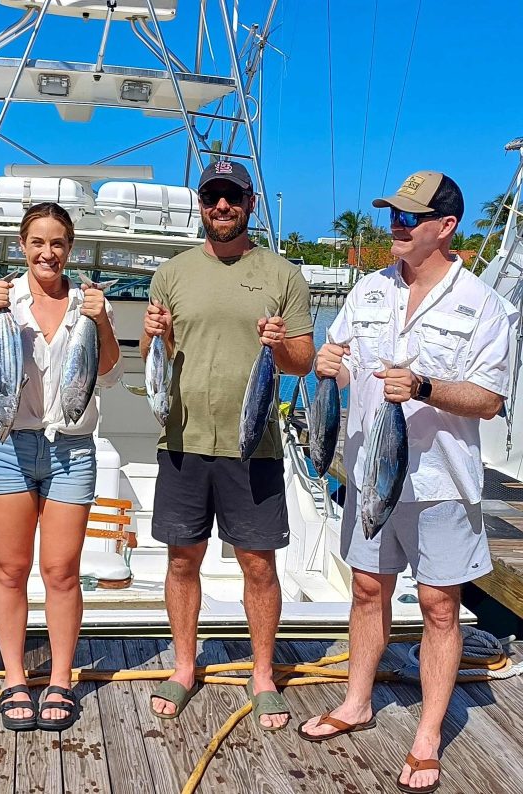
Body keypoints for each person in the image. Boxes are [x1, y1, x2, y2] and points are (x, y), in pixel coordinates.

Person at [297, 171, 516, 793]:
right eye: (394, 214)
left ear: (445, 227)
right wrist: (328, 365)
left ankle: (427, 736)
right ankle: (356, 701)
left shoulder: (483, 305)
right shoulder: (369, 291)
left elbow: (489, 399)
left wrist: (423, 387)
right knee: (367, 589)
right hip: (371, 473)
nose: (396, 225)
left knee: (439, 606)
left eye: (409, 218)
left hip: (441, 482)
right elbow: (342, 367)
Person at [141, 161, 314, 729]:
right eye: (212, 196)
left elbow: (302, 361)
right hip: (182, 441)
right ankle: (184, 666)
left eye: (232, 197)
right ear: (201, 203)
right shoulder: (171, 273)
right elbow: (154, 355)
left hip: (254, 445)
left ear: (249, 204)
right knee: (181, 559)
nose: (222, 206)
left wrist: (279, 344)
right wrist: (155, 334)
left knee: (258, 565)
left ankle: (262, 674)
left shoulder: (283, 275)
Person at [0, 202, 122, 732]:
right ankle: (14, 679)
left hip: (71, 448)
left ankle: (61, 679)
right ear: (23, 246)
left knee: (61, 571)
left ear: (69, 248)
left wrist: (101, 319)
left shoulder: (88, 303)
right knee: (10, 569)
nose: (47, 253)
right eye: (37, 243)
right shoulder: (0, 298)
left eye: (57, 243)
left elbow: (108, 371)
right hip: (9, 445)